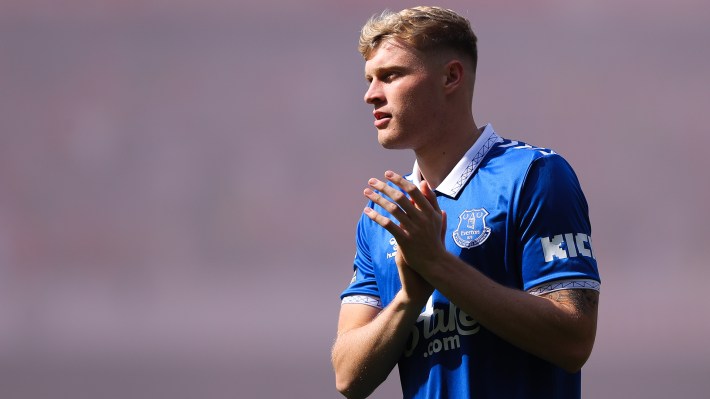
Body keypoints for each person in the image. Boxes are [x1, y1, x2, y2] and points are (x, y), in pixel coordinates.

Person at [331, 6, 601, 399]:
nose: (371, 94)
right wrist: (410, 298)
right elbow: (347, 377)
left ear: (451, 77)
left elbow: (574, 339)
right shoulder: (384, 217)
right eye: (370, 79)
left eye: (390, 76)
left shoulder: (534, 175)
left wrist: (438, 266)